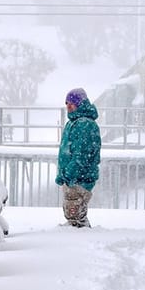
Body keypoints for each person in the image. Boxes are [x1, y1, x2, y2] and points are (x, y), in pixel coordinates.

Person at [56, 87, 101, 227]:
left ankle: (79, 240)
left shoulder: (84, 124)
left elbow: (80, 155)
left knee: (75, 214)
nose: (68, 107)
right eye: (67, 103)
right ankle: (77, 237)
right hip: (73, 177)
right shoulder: (74, 122)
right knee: (73, 213)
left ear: (81, 104)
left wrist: (69, 174)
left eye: (72, 103)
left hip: (79, 178)